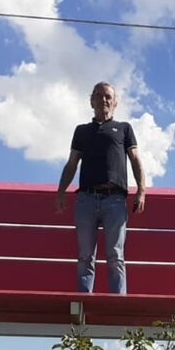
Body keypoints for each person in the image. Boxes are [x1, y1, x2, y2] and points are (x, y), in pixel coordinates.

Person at [55, 81, 146, 294]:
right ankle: (84, 302)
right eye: (99, 96)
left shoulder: (124, 129)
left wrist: (141, 191)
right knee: (85, 256)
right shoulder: (82, 131)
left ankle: (118, 305)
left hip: (114, 200)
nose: (103, 100)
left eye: (107, 96)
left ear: (115, 102)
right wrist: (60, 192)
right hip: (86, 199)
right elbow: (71, 163)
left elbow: (135, 160)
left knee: (115, 255)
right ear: (91, 101)